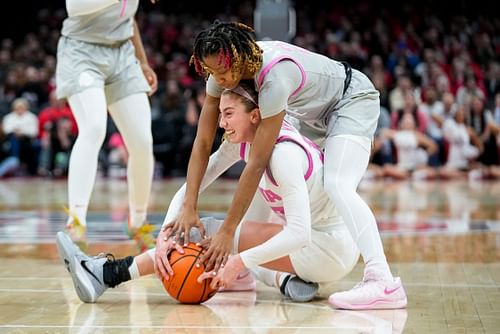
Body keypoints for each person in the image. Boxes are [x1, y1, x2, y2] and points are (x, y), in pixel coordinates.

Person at [56, 83, 377, 306]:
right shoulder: (247, 141)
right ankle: (279, 280)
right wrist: (167, 234)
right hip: (321, 248)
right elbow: (191, 187)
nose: (221, 123)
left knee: (207, 231)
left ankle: (105, 275)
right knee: (217, 224)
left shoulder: (284, 155)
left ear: (255, 115)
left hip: (325, 247)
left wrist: (238, 261)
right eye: (220, 113)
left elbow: (299, 233)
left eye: (228, 114)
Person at [168, 21, 407, 310]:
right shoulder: (222, 72)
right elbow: (204, 145)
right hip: (311, 115)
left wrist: (227, 233)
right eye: (211, 72)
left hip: (349, 99)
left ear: (239, 57)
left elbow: (255, 164)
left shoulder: (275, 79)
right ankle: (251, 272)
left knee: (337, 183)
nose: (220, 80)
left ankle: (381, 278)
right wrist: (187, 207)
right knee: (272, 170)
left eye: (222, 70)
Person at [55, 0, 158, 250]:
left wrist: (142, 61)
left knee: (142, 142)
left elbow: (127, 18)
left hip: (122, 55)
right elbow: (75, 7)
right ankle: (76, 221)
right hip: (81, 52)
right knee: (93, 127)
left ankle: (138, 221)